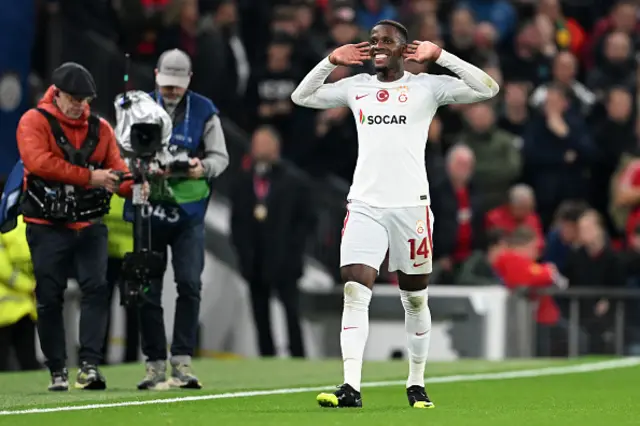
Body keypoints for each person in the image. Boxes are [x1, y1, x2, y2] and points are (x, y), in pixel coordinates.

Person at [291, 19, 499, 408]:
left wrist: (441, 56)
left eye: (387, 40)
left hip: (411, 208)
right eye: (373, 41)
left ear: (405, 50)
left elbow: (487, 88)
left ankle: (416, 383)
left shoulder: (426, 87)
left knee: (415, 299)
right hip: (365, 205)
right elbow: (301, 97)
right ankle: (350, 386)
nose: (377, 46)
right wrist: (330, 60)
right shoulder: (356, 88)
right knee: (354, 293)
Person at [16, 62, 135, 391]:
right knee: (49, 296)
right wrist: (89, 177)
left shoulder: (101, 129)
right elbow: (38, 162)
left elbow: (117, 169)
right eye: (74, 99)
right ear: (57, 95)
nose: (80, 106)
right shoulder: (33, 122)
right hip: (46, 225)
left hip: (89, 224)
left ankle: (90, 366)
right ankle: (57, 369)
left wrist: (134, 185)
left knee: (96, 290)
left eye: (85, 100)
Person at [133, 49, 229, 390]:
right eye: (167, 84)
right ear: (156, 75)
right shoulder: (136, 106)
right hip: (147, 211)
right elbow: (119, 152)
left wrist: (202, 167)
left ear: (188, 80)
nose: (172, 91)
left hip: (189, 212)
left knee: (189, 284)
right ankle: (155, 364)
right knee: (147, 289)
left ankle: (182, 361)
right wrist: (143, 167)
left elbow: (221, 157)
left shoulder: (204, 110)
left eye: (178, 85)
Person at [230, 126, 313, 358]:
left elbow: (306, 222)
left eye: (264, 143)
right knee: (259, 312)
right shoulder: (243, 181)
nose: (259, 148)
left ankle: (298, 355)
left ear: (276, 146)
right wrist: (242, 253)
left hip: (286, 260)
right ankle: (266, 355)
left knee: (291, 312)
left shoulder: (295, 181)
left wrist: (295, 252)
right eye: (256, 142)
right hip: (254, 259)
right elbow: (236, 221)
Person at [0, 214, 40, 372]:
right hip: (22, 305)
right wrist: (31, 286)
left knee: (24, 359)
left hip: (18, 307)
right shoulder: (33, 226)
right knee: (27, 359)